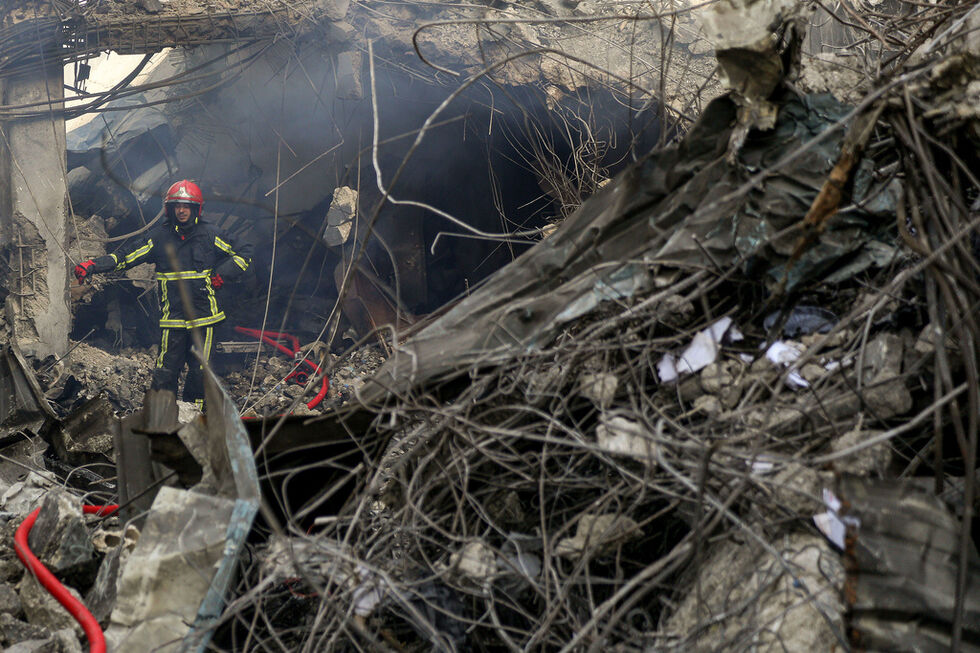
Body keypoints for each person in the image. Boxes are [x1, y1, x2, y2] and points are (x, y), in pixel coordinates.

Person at [74, 180, 252, 409]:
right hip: (173, 319)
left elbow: (245, 252)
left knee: (200, 371)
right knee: (165, 370)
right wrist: (93, 265)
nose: (181, 210)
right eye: (177, 205)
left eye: (186, 206)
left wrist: (223, 274)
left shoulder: (210, 234)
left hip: (205, 317)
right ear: (170, 209)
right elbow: (126, 256)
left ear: (196, 208)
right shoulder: (159, 237)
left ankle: (195, 415)